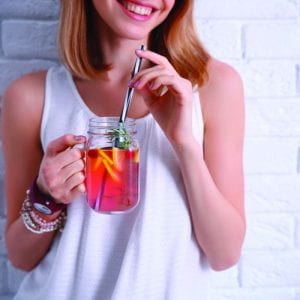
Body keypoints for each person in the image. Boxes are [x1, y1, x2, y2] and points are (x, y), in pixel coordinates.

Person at [1, 0, 246, 299]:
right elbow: (20, 258)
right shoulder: (30, 97)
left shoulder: (213, 86)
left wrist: (184, 144)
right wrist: (47, 196)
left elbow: (224, 254)